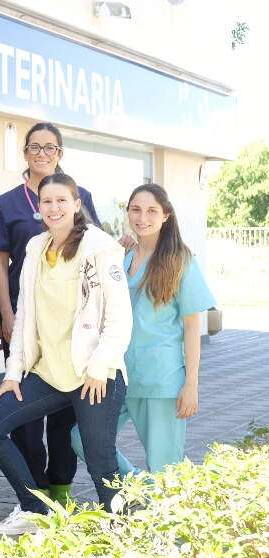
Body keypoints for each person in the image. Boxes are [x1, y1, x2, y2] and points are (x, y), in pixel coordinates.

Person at [0, 174, 131, 536]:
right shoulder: (35, 249)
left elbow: (119, 317)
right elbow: (25, 317)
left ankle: (122, 527)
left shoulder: (101, 247)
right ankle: (34, 509)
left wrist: (100, 366)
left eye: (62, 200)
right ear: (39, 208)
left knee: (100, 461)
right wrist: (12, 374)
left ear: (77, 205)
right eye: (47, 202)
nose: (54, 208)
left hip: (94, 374)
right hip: (49, 375)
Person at [0, 122, 101, 505]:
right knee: (23, 413)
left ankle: (61, 487)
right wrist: (6, 313)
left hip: (72, 329)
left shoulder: (79, 194)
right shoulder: (7, 203)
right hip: (26, 323)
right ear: (24, 153)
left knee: (65, 414)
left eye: (49, 147)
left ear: (60, 153)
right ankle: (34, 492)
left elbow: (96, 254)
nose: (41, 153)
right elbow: (0, 263)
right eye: (34, 147)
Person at [71, 184, 215, 474]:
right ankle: (143, 487)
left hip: (161, 379)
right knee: (82, 439)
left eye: (152, 211)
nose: (142, 217)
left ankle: (161, 502)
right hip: (118, 374)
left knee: (165, 467)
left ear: (166, 215)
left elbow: (192, 326)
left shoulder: (179, 260)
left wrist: (191, 384)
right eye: (135, 209)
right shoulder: (120, 256)